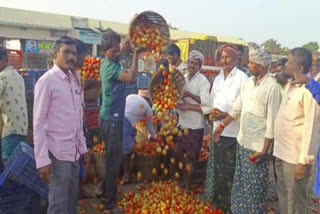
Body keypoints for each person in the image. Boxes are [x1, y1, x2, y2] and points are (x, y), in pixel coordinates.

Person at [213, 47, 282, 213]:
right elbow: (237, 109)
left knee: (254, 190)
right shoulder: (248, 83)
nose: (248, 64)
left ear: (261, 66)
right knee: (241, 185)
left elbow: (272, 122)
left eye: (252, 62)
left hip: (257, 147)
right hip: (243, 141)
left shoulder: (272, 88)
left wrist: (264, 150)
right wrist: (222, 126)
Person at [33, 36, 88, 214]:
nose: (71, 57)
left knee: (71, 204)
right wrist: (42, 161)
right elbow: (39, 122)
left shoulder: (74, 79)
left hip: (73, 154)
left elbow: (78, 117)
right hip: (57, 155)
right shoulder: (47, 81)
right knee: (58, 206)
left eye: (74, 53)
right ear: (55, 54)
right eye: (66, 52)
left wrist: (83, 148)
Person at [99, 35, 144, 213]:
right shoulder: (110, 67)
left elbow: (122, 47)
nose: (117, 53)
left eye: (117, 50)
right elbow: (132, 78)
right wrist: (136, 55)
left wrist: (131, 33)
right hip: (112, 119)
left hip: (109, 117)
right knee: (113, 161)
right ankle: (109, 202)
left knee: (111, 158)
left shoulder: (109, 59)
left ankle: (103, 190)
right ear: (105, 52)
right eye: (113, 51)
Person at [273, 47, 320, 214]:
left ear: (300, 67)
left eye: (290, 62)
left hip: (295, 159)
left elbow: (311, 128)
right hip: (280, 152)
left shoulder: (309, 92)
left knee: (296, 202)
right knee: (283, 195)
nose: (286, 65)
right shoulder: (290, 85)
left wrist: (303, 161)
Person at [205, 44, 248, 213]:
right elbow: (211, 102)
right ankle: (219, 203)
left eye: (228, 57)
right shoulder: (217, 79)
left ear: (235, 59)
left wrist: (225, 115)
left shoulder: (242, 78)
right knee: (218, 169)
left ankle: (230, 206)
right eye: (222, 57)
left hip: (232, 133)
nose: (225, 60)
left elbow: (243, 106)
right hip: (217, 132)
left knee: (229, 172)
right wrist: (211, 116)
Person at [176, 50, 211, 193]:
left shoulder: (203, 81)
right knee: (179, 154)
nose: (192, 65)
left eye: (195, 64)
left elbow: (206, 104)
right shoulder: (184, 77)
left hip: (194, 126)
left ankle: (188, 187)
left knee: (191, 157)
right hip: (182, 123)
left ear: (200, 66)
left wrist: (189, 97)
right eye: (190, 62)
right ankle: (182, 182)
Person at [0, 46, 28, 162]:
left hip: (10, 130)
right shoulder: (18, 76)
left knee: (9, 169)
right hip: (22, 130)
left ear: (2, 60)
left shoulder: (2, 77)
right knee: (18, 167)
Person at [122, 89, 156, 182]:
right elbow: (150, 126)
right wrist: (154, 137)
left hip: (118, 120)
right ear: (149, 100)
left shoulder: (130, 96)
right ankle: (126, 175)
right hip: (127, 124)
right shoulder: (147, 106)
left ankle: (121, 174)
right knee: (127, 152)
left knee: (120, 149)